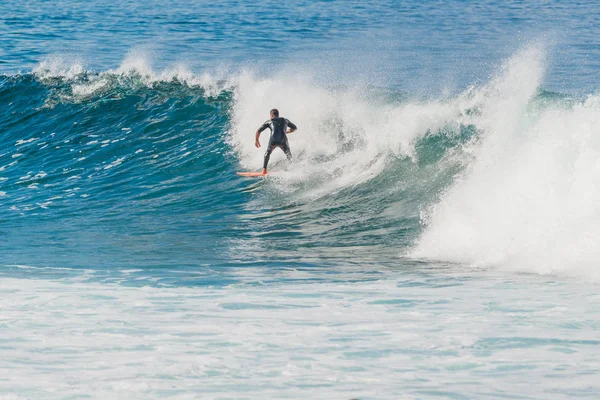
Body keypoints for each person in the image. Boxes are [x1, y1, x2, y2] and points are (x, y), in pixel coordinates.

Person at [255, 109, 297, 175]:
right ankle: (293, 168)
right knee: (288, 154)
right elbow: (295, 128)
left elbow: (258, 131)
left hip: (273, 141)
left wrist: (257, 140)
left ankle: (264, 171)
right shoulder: (285, 120)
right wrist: (286, 132)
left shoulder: (269, 121)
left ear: (271, 115)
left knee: (267, 153)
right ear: (278, 114)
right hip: (283, 141)